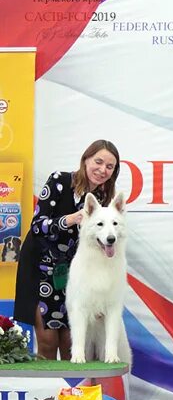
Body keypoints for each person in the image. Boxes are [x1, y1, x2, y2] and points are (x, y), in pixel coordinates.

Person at [14, 140, 120, 360]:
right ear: (85, 160)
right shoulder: (59, 181)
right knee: (47, 339)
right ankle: (46, 394)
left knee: (72, 340)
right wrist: (71, 219)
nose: (102, 170)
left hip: (76, 272)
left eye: (109, 166)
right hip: (42, 266)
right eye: (98, 162)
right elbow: (37, 226)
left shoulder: (102, 200)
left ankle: (72, 394)